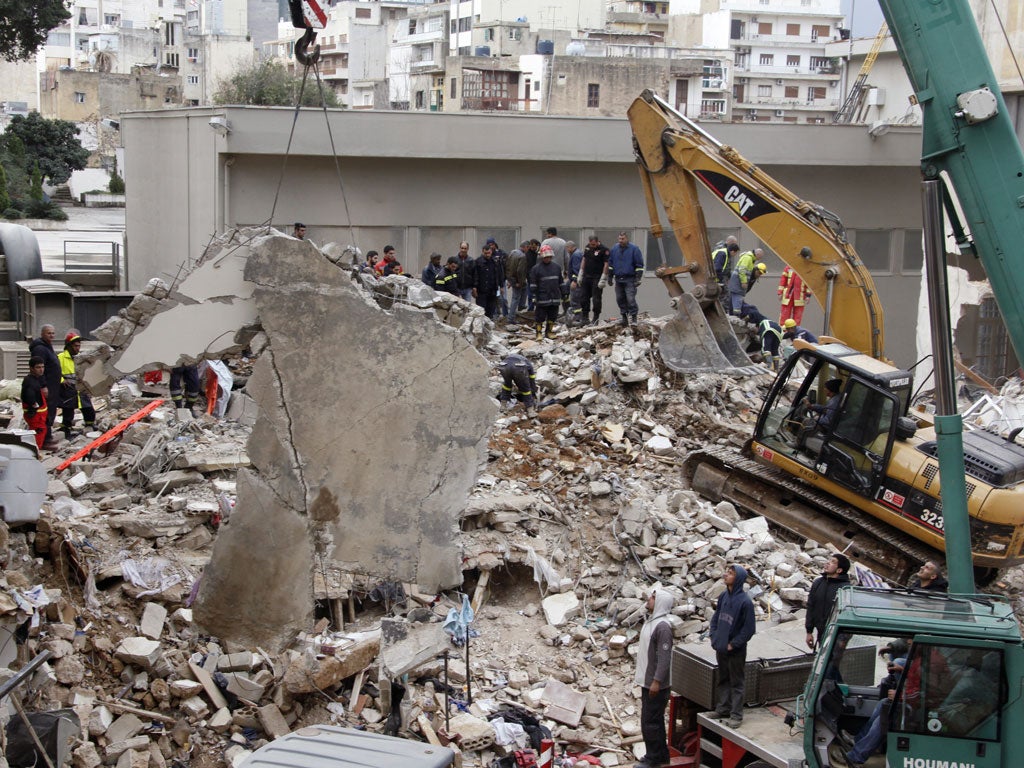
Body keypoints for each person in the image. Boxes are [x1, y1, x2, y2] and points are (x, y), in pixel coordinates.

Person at [708, 564, 756, 728]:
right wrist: (713, 635)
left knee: (736, 681)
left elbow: (749, 629)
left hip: (735, 650)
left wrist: (733, 644)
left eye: (730, 573)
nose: (726, 575)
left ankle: (736, 715)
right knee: (723, 678)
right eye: (727, 572)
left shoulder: (745, 602)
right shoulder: (723, 596)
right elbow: (716, 617)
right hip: (721, 646)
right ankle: (723, 708)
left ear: (739, 579)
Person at [634, 588, 675, 768]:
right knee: (652, 720)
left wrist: (657, 681)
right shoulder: (652, 622)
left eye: (653, 598)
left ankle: (654, 758)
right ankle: (659, 755)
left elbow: (664, 657)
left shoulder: (662, 627)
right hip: (648, 681)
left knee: (650, 722)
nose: (649, 599)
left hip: (655, 684)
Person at [840, 656, 906, 767]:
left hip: (917, 708)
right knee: (884, 703)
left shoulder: (934, 666)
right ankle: (859, 739)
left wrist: (901, 695)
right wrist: (902, 669)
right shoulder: (924, 657)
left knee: (886, 716)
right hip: (912, 698)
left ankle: (856, 756)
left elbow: (926, 695)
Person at [805, 553, 851, 649]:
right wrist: (809, 631)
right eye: (829, 560)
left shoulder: (845, 589)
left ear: (839, 570)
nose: (828, 563)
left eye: (833, 562)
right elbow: (810, 606)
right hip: (821, 632)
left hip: (837, 636)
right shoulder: (818, 583)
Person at [28, 324, 61, 448]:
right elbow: (39, 369)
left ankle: (48, 436)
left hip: (53, 385)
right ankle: (45, 440)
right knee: (45, 412)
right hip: (47, 387)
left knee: (51, 410)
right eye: (49, 333)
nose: (51, 335)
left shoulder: (47, 346)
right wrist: (43, 385)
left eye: (53, 333)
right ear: (42, 334)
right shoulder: (40, 349)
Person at [58, 332, 95, 439]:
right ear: (68, 346)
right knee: (68, 410)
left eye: (79, 346)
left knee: (88, 408)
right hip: (68, 389)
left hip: (80, 387)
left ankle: (90, 425)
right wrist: (62, 380)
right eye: (75, 346)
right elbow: (54, 372)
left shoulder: (81, 357)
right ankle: (66, 429)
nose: (77, 348)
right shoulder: (60, 358)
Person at [608, 231, 644, 327]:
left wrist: (638, 278)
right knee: (620, 299)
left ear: (627, 238)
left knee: (630, 299)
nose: (621, 241)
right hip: (618, 279)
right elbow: (611, 264)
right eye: (619, 239)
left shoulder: (634, 249)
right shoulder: (615, 249)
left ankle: (634, 318)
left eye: (623, 239)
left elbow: (639, 265)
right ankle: (624, 318)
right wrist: (610, 277)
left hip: (630, 279)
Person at [529, 244, 562, 340]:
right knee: (540, 316)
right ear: (542, 256)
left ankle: (549, 332)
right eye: (545, 257)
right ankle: (538, 333)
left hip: (554, 296)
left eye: (549, 257)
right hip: (542, 297)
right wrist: (534, 296)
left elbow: (560, 282)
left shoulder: (556, 267)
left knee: (552, 316)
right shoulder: (536, 269)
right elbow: (533, 284)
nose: (547, 258)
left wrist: (565, 294)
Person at [577, 234, 610, 325]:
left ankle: (595, 318)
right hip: (587, 276)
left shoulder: (604, 250)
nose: (592, 246)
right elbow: (584, 259)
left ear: (597, 242)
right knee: (583, 297)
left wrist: (604, 277)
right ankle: (585, 317)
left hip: (597, 277)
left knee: (596, 299)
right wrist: (580, 273)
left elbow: (606, 264)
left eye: (594, 245)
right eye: (591, 244)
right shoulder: (587, 248)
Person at [21, 356, 49, 450]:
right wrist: (34, 406)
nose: (41, 370)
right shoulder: (30, 381)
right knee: (37, 437)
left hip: (39, 416)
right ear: (31, 368)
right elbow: (29, 396)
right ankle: (34, 455)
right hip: (36, 416)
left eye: (42, 367)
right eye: (38, 367)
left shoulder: (36, 379)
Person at [727, 250, 767, 315]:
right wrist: (744, 282)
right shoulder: (748, 258)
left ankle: (732, 314)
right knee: (737, 299)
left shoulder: (751, 260)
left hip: (738, 283)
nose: (760, 258)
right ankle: (735, 316)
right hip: (738, 282)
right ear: (757, 254)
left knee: (734, 299)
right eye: (759, 273)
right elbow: (742, 270)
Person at [473, 243, 504, 320]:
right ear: (483, 252)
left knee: (491, 311)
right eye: (485, 253)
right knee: (481, 311)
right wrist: (474, 287)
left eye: (489, 253)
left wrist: (501, 286)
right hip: (481, 291)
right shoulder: (478, 262)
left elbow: (499, 274)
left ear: (491, 252)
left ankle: (489, 327)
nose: (487, 255)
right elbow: (475, 275)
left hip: (492, 290)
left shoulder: (495, 261)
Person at [505, 241, 529, 323]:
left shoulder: (512, 252)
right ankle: (511, 318)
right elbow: (520, 271)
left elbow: (507, 265)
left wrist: (509, 279)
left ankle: (521, 306)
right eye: (527, 248)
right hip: (517, 280)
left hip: (511, 278)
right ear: (525, 247)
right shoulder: (522, 256)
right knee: (515, 298)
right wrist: (520, 282)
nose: (528, 250)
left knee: (522, 291)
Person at [565, 240, 583, 323]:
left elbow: (577, 269)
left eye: (567, 248)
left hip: (576, 281)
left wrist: (574, 281)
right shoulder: (577, 253)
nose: (567, 250)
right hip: (574, 279)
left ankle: (577, 317)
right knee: (564, 290)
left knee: (575, 299)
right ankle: (571, 312)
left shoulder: (576, 255)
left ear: (570, 247)